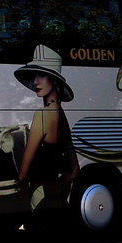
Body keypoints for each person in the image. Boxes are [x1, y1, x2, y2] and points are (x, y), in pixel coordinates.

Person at [14, 45, 78, 209]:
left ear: (54, 80)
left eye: (41, 75)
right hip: (58, 198)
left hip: (41, 199)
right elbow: (75, 168)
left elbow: (23, 173)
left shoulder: (42, 115)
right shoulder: (61, 114)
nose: (35, 81)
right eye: (35, 75)